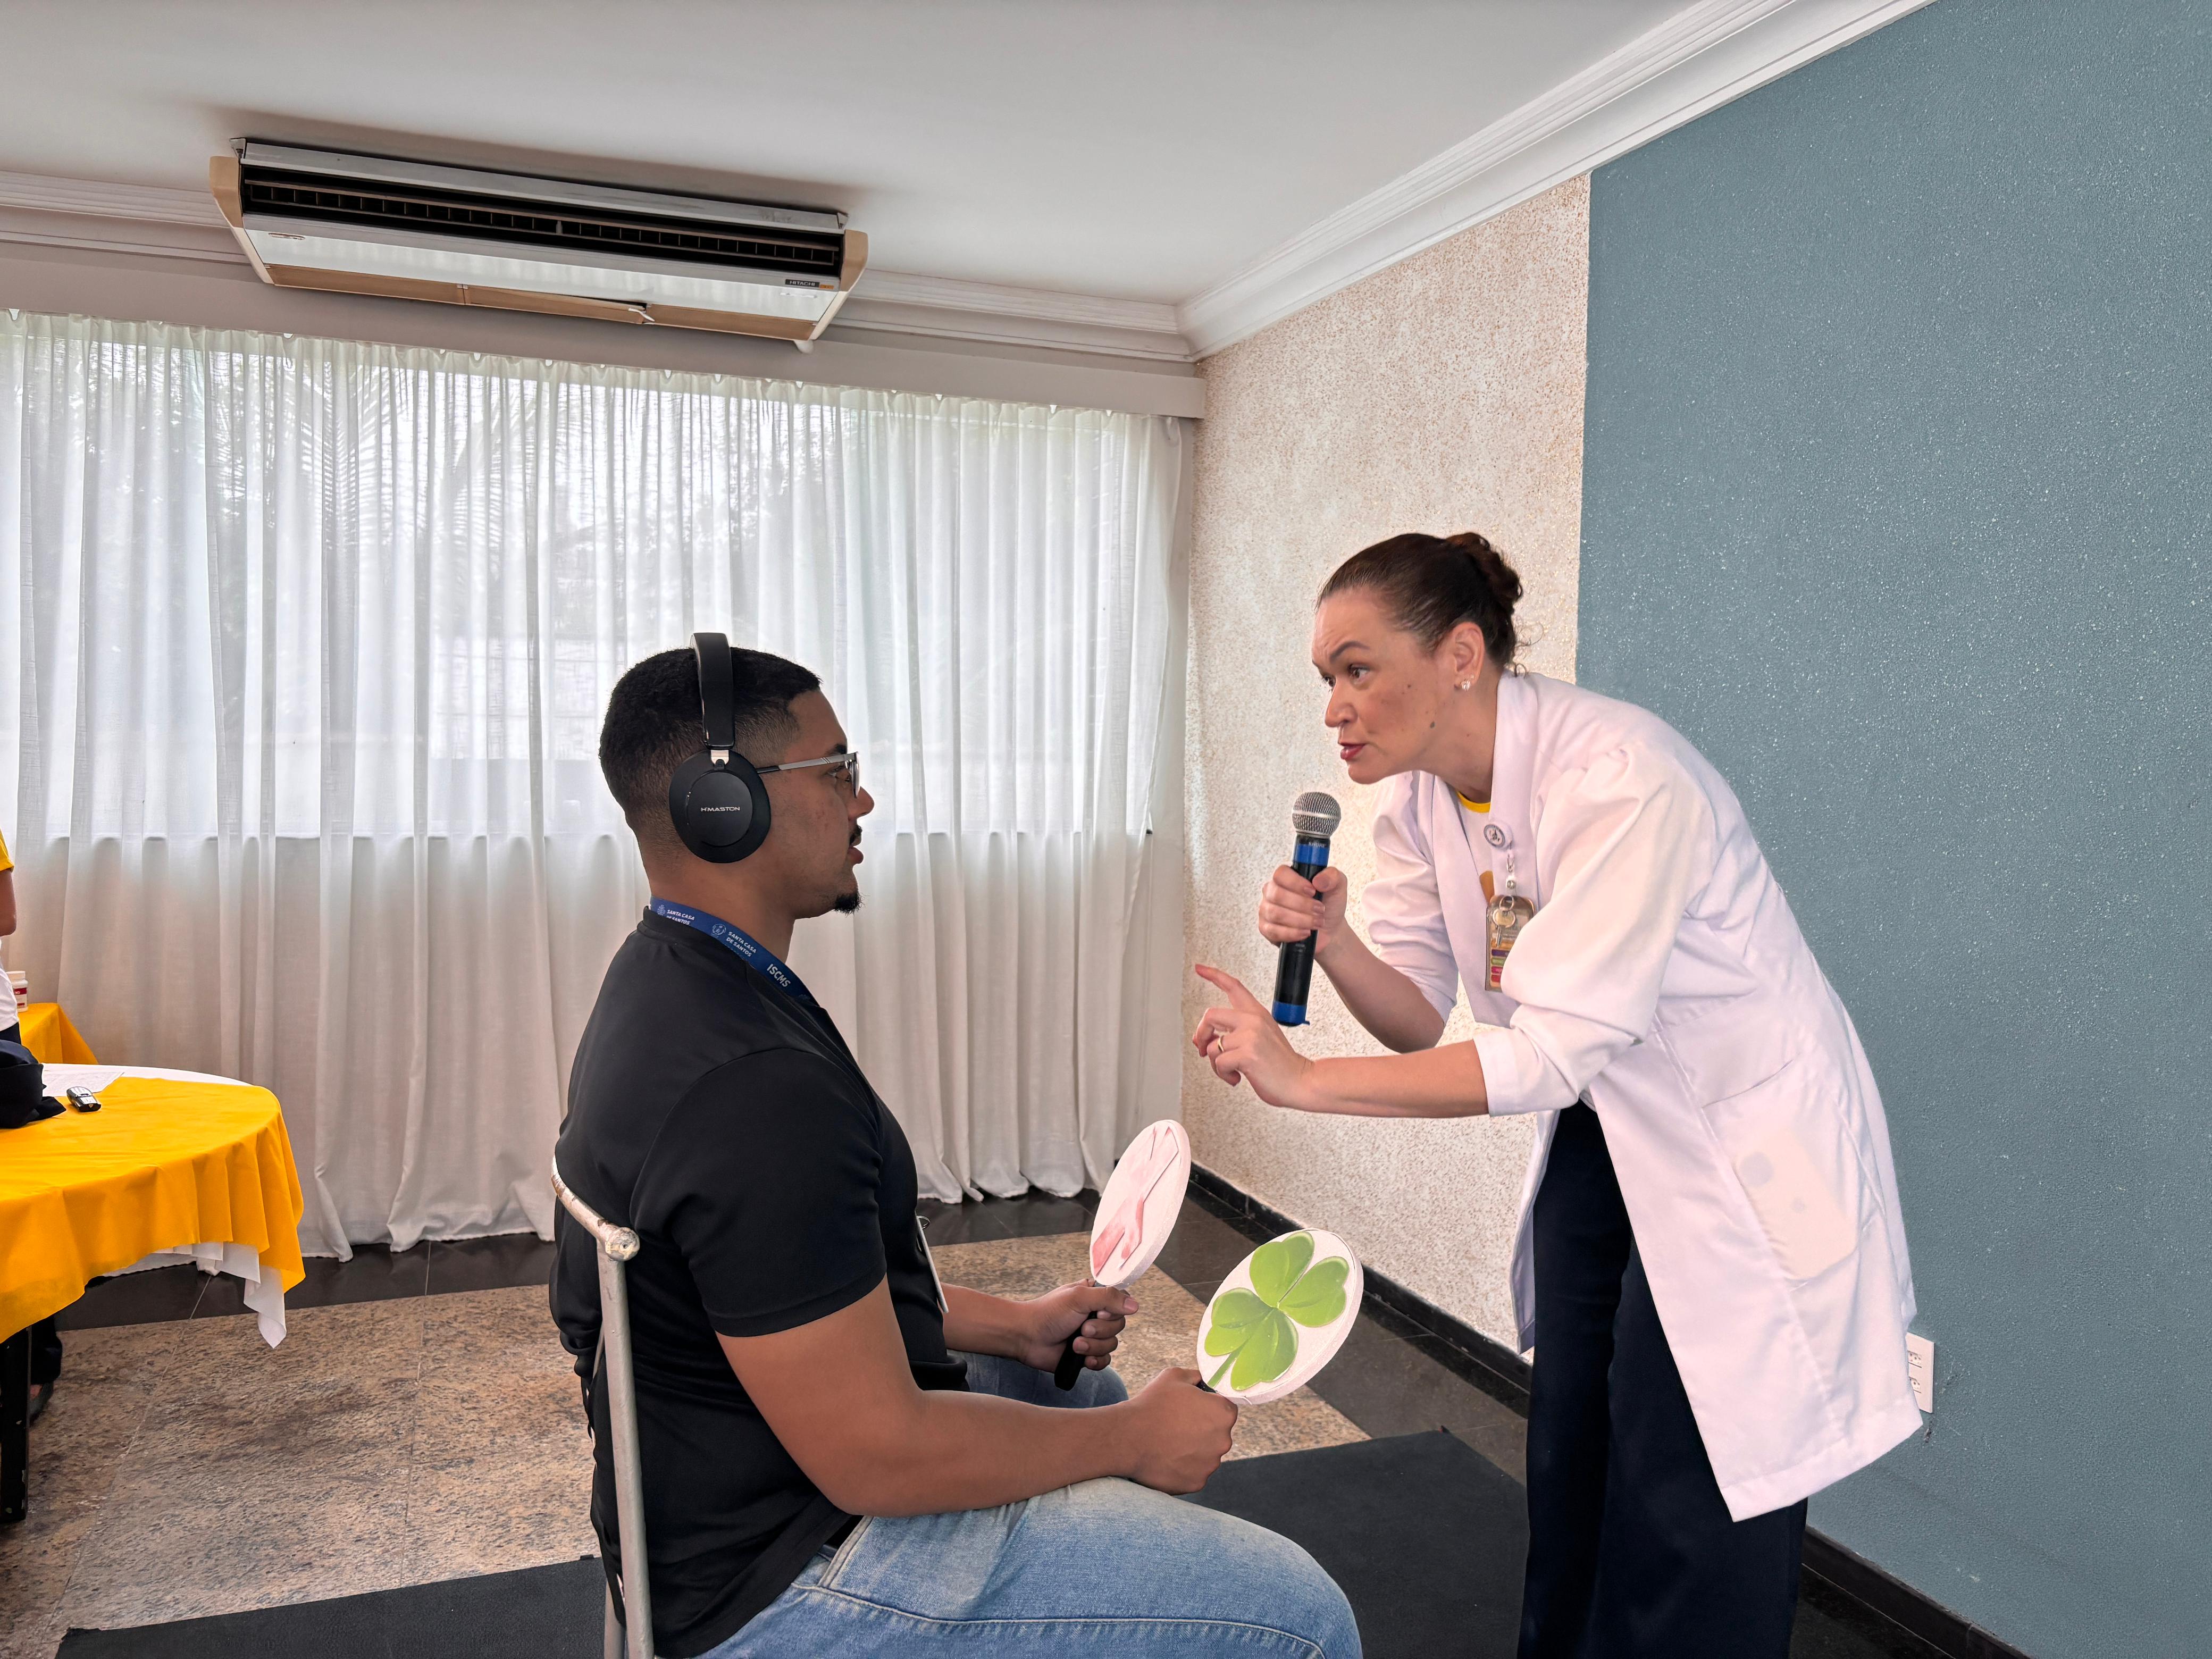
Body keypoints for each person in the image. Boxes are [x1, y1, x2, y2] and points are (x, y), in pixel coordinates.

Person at [552, 640, 1358, 1659]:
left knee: (1078, 1386)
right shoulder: (755, 1085)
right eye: (837, 770)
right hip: (775, 1581)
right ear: (727, 805)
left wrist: (1020, 1327)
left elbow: (789, 1290)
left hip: (707, 1502)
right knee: (1301, 1617)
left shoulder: (668, 978)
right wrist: (1132, 1444)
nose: (864, 800)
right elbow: (878, 1456)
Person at [1191, 533, 1918, 1659]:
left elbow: (1545, 1054)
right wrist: (1333, 940)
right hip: (1606, 1123)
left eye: (1357, 669)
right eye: (1326, 678)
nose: (1334, 708)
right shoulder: (1425, 801)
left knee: (1691, 1478)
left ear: (1460, 656)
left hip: (1741, 1144)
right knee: (1574, 1443)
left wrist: (1302, 1081)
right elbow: (1416, 1015)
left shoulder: (1622, 777)